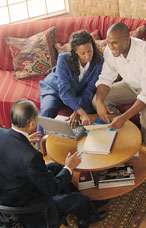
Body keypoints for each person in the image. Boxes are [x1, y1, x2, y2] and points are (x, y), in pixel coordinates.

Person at [0, 99, 107, 228]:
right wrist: (69, 167)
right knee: (80, 199)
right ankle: (85, 218)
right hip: (31, 209)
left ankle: (86, 204)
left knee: (56, 167)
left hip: (8, 192)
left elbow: (11, 149)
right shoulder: (32, 156)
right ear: (32, 123)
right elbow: (52, 189)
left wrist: (24, 140)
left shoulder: (2, 134)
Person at [37, 30, 104, 143]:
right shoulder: (63, 59)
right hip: (54, 89)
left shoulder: (99, 61)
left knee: (90, 111)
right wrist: (80, 111)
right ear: (75, 52)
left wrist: (77, 111)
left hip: (77, 93)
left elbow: (90, 89)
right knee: (47, 111)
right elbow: (64, 91)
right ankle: (40, 148)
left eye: (90, 51)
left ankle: (80, 145)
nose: (88, 56)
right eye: (82, 53)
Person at [92, 22, 146, 144]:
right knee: (97, 101)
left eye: (115, 43)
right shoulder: (109, 50)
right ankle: (124, 133)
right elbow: (106, 77)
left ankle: (142, 150)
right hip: (129, 85)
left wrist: (124, 116)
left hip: (145, 90)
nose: (110, 47)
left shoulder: (143, 52)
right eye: (108, 42)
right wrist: (100, 101)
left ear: (127, 40)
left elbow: (145, 94)